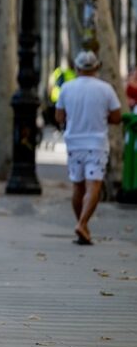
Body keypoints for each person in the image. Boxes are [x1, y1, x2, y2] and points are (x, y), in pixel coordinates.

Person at [55, 50, 122, 245]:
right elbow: (117, 117)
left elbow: (59, 116)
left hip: (74, 143)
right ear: (97, 67)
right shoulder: (106, 89)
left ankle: (81, 226)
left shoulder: (67, 88)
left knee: (78, 185)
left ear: (76, 68)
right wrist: (101, 117)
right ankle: (83, 223)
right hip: (97, 143)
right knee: (94, 186)